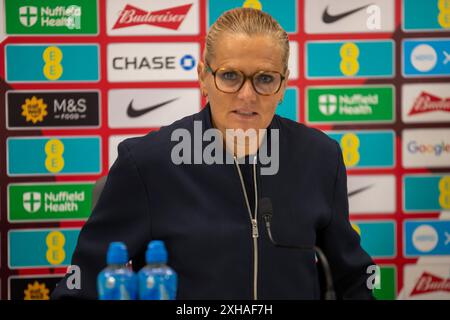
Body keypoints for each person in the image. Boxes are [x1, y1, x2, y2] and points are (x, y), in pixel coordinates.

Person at [51, 8, 375, 300]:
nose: (247, 95)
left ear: (283, 85)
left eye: (264, 79)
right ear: (204, 78)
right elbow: (81, 288)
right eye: (230, 76)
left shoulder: (320, 157)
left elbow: (352, 279)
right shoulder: (146, 164)